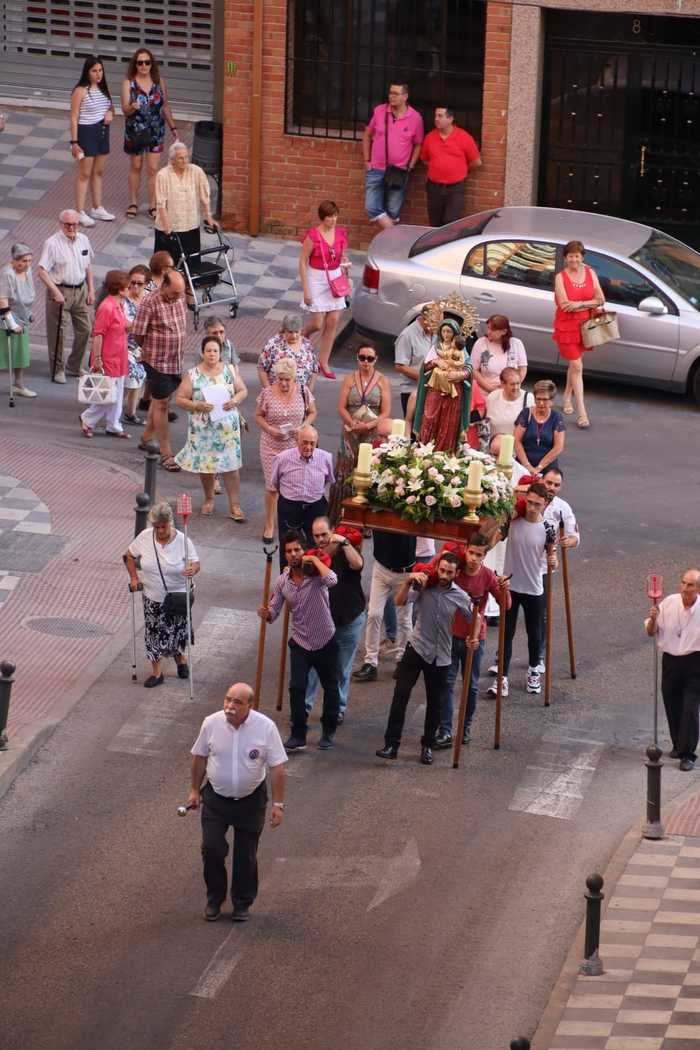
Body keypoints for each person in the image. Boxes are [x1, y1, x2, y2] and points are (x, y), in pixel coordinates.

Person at [188, 682, 287, 922]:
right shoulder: (211, 723)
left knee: (246, 855)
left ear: (250, 706)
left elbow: (277, 767)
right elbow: (199, 757)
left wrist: (278, 805)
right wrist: (194, 790)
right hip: (216, 799)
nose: (230, 706)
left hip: (250, 802)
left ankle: (242, 902)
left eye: (237, 702)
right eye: (228, 699)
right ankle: (214, 899)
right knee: (211, 849)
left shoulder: (266, 728)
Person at [376, 551, 472, 765]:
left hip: (441, 656)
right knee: (400, 696)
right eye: (442, 570)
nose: (444, 575)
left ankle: (427, 745)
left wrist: (474, 637)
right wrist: (409, 580)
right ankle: (391, 744)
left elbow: (474, 618)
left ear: (456, 574)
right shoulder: (424, 585)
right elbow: (399, 601)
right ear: (437, 568)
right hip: (417, 648)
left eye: (449, 572)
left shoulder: (460, 596)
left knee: (435, 703)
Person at [258, 531, 340, 752]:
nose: (293, 554)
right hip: (301, 642)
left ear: (304, 551)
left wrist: (314, 560)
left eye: (297, 550)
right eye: (289, 551)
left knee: (331, 687)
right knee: (296, 688)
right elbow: (274, 613)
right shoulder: (282, 581)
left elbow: (332, 580)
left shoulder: (315, 574)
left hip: (325, 640)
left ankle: (328, 730)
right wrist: (266, 613)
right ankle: (298, 734)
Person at [427, 537, 510, 750]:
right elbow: (433, 576)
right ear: (465, 550)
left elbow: (505, 605)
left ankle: (464, 728)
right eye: (471, 553)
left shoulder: (488, 576)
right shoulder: (455, 569)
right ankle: (445, 731)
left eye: (479, 555)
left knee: (470, 687)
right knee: (446, 684)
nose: (473, 559)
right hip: (449, 635)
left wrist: (504, 588)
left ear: (484, 555)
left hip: (474, 639)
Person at [125, 500, 200, 687]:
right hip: (153, 596)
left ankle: (180, 658)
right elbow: (128, 556)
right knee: (154, 633)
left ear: (170, 523)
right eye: (156, 527)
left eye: (163, 526)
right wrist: (135, 578)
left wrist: (192, 569)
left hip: (178, 596)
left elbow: (195, 563)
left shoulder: (184, 540)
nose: (159, 531)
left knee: (176, 631)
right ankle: (157, 673)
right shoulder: (144, 537)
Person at [174, 335, 247, 519]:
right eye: (208, 351)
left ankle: (235, 506)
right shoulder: (193, 374)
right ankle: (209, 499)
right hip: (203, 430)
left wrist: (235, 400)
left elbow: (242, 390)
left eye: (215, 351)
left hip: (226, 430)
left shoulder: (229, 370)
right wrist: (196, 406)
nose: (212, 354)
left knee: (231, 467)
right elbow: (180, 398)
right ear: (203, 352)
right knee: (206, 466)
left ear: (220, 353)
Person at [498, 483, 557, 697]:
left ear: (545, 504)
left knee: (535, 633)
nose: (532, 507)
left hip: (533, 587)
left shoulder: (548, 528)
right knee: (507, 633)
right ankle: (502, 676)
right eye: (529, 502)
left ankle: (534, 671)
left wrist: (553, 560)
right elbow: (497, 535)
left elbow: (552, 556)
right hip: (510, 586)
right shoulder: (513, 521)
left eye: (537, 504)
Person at [304, 518, 365, 723]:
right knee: (312, 668)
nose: (321, 539)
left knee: (341, 669)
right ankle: (304, 706)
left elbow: (357, 564)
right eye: (317, 536)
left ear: (333, 531)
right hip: (321, 623)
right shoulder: (313, 556)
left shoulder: (346, 550)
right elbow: (315, 565)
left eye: (324, 534)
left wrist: (344, 542)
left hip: (349, 620)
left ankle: (337, 709)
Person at [255, 357, 317, 544]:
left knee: (290, 486)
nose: (283, 383)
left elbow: (313, 412)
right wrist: (270, 429)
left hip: (293, 445)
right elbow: (258, 415)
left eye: (286, 379)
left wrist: (304, 426)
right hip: (271, 445)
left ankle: (291, 522)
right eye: (280, 379)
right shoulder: (267, 393)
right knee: (272, 487)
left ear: (294, 378)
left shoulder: (303, 391)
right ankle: (269, 524)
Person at [131, 269, 187, 472]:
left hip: (176, 359)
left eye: (180, 293)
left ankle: (146, 437)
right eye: (174, 293)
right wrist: (149, 350)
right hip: (156, 360)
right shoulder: (150, 302)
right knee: (162, 403)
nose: (178, 297)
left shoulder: (180, 297)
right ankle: (166, 453)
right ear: (163, 285)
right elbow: (137, 332)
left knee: (160, 398)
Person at [645, 570, 700, 771]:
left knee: (690, 709)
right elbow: (651, 631)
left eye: (690, 585)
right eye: (683, 583)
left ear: (698, 589)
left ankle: (688, 754)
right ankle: (678, 744)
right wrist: (652, 619)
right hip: (671, 661)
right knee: (672, 704)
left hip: (695, 663)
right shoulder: (669, 602)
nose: (685, 588)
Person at [330, 343, 391, 519]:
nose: (366, 362)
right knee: (346, 469)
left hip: (371, 432)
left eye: (370, 358)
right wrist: (352, 422)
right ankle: (340, 514)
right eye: (362, 358)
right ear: (357, 358)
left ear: (376, 360)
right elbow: (341, 407)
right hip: (351, 431)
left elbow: (385, 411)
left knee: (368, 471)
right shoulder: (349, 379)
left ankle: (366, 516)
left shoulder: (382, 381)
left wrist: (368, 426)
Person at [37, 209, 95, 383]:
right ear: (60, 224)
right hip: (60, 290)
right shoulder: (52, 243)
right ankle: (58, 369)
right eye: (67, 224)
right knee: (58, 333)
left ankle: (74, 365)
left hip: (80, 289)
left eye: (74, 224)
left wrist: (91, 289)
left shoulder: (83, 239)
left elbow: (88, 266)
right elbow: (41, 271)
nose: (71, 227)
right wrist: (55, 292)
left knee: (86, 329)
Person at [121, 47, 178, 220]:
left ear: (151, 64)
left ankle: (153, 205)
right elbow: (124, 109)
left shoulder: (159, 81)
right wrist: (132, 106)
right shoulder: (128, 83)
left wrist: (173, 128)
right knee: (136, 166)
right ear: (135, 65)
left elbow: (165, 106)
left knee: (153, 168)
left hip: (156, 130)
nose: (144, 66)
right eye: (140, 63)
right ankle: (133, 202)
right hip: (136, 130)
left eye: (147, 62)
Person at [553, 239, 605, 429]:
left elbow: (600, 299)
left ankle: (567, 397)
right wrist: (585, 303)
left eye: (577, 256)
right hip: (566, 326)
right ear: (565, 258)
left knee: (575, 366)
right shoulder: (560, 277)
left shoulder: (590, 273)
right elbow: (564, 303)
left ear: (582, 257)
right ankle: (582, 412)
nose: (574, 259)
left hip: (585, 325)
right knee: (577, 364)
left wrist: (580, 304)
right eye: (570, 256)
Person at [353, 530, 416, 682]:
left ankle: (402, 661)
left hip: (405, 573)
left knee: (404, 619)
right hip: (381, 568)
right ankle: (370, 663)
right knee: (374, 614)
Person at [299, 200, 352, 379]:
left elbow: (342, 255)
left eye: (335, 216)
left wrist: (345, 264)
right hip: (317, 277)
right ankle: (301, 336)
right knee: (317, 323)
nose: (333, 220)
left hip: (335, 277)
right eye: (329, 217)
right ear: (322, 217)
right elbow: (302, 262)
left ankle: (324, 361)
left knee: (333, 320)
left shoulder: (341, 234)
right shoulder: (313, 235)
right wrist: (306, 289)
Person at [362, 82, 424, 229]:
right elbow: (367, 134)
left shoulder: (415, 118)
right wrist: (366, 160)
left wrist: (411, 165)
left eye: (396, 93)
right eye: (390, 93)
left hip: (399, 170)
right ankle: (394, 236)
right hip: (376, 168)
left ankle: (387, 247)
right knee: (371, 206)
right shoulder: (379, 111)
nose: (392, 96)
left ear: (405, 96)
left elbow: (418, 143)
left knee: (393, 210)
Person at [79, 269, 130, 439]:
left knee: (117, 393)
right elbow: (98, 334)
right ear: (121, 289)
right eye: (128, 287)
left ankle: (113, 424)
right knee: (109, 393)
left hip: (119, 356)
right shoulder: (107, 307)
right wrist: (98, 358)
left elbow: (121, 325)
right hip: (108, 357)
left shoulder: (118, 305)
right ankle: (88, 418)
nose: (131, 290)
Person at [270, 426, 334, 560]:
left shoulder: (326, 457)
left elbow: (328, 480)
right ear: (296, 441)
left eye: (312, 443)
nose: (308, 447)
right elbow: (275, 482)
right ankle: (287, 578)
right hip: (290, 507)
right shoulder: (282, 458)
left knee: (318, 545)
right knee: (288, 546)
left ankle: (315, 577)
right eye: (304, 442)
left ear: (317, 442)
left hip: (316, 506)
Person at [69, 56, 115, 228]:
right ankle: (79, 211)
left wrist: (111, 113)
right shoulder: (80, 90)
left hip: (102, 131)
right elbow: (74, 117)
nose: (98, 74)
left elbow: (110, 107)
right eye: (94, 71)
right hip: (86, 132)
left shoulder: (103, 89)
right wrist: (74, 142)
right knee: (84, 173)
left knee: (99, 171)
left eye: (100, 70)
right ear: (87, 72)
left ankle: (97, 207)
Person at [154, 141, 217, 265]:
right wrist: (167, 227)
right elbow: (161, 204)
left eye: (186, 157)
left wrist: (209, 217)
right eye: (180, 158)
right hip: (170, 228)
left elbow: (204, 197)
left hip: (191, 226)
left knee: (191, 265)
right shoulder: (163, 175)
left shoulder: (196, 171)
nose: (185, 161)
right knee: (166, 266)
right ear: (172, 160)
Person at [414, 318, 472, 452]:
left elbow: (468, 367)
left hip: (453, 392)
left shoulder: (459, 349)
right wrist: (435, 362)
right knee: (429, 417)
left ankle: (444, 454)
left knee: (449, 422)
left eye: (449, 332)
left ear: (455, 334)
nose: (446, 335)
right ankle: (425, 451)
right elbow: (425, 367)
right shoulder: (436, 348)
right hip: (435, 389)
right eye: (444, 331)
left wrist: (461, 374)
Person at [420, 106, 481, 227]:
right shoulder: (430, 138)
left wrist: (461, 169)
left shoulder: (464, 137)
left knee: (451, 222)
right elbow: (424, 160)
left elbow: (476, 162)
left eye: (440, 116)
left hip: (455, 188)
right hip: (434, 188)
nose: (436, 119)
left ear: (450, 119)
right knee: (434, 223)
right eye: (435, 116)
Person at [0, 243, 36, 398]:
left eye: (29, 261)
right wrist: (12, 323)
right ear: (13, 260)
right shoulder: (8, 274)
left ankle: (18, 385)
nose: (26, 264)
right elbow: (3, 300)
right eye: (22, 261)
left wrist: (28, 314)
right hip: (7, 317)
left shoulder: (28, 271)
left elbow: (27, 295)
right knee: (2, 352)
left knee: (20, 353)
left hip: (22, 318)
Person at [514, 379, 566, 475]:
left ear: (552, 400)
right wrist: (527, 466)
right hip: (523, 464)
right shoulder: (526, 413)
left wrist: (539, 467)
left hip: (547, 467)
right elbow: (516, 441)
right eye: (538, 399)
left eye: (545, 399)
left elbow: (558, 447)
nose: (541, 403)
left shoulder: (556, 418)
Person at [257, 314, 318, 391]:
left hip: (301, 396)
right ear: (284, 330)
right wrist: (269, 391)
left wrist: (310, 391)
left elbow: (314, 369)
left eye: (297, 332)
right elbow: (261, 368)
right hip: (277, 395)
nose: (294, 336)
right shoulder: (273, 344)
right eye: (290, 332)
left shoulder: (307, 344)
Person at [121, 264, 150, 424]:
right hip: (125, 346)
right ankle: (111, 410)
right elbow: (123, 323)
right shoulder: (124, 299)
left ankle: (130, 413)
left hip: (142, 348)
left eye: (140, 283)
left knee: (140, 378)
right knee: (133, 378)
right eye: (132, 282)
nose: (135, 286)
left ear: (146, 284)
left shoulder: (149, 298)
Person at [471, 316, 528, 396]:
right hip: (486, 393)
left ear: (504, 332)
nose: (488, 332)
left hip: (511, 393)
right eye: (488, 328)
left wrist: (513, 386)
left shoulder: (516, 344)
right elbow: (474, 370)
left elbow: (523, 369)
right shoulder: (481, 343)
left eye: (492, 330)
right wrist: (490, 389)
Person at [394, 306, 433, 416]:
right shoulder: (407, 335)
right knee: (413, 431)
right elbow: (400, 366)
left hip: (433, 392)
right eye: (434, 321)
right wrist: (425, 379)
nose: (437, 325)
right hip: (412, 391)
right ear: (424, 318)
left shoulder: (436, 332)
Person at [486, 367, 535, 438]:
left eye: (518, 383)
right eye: (512, 384)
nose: (516, 387)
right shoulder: (493, 396)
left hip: (517, 445)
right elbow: (486, 421)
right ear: (503, 384)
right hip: (495, 444)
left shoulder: (529, 398)